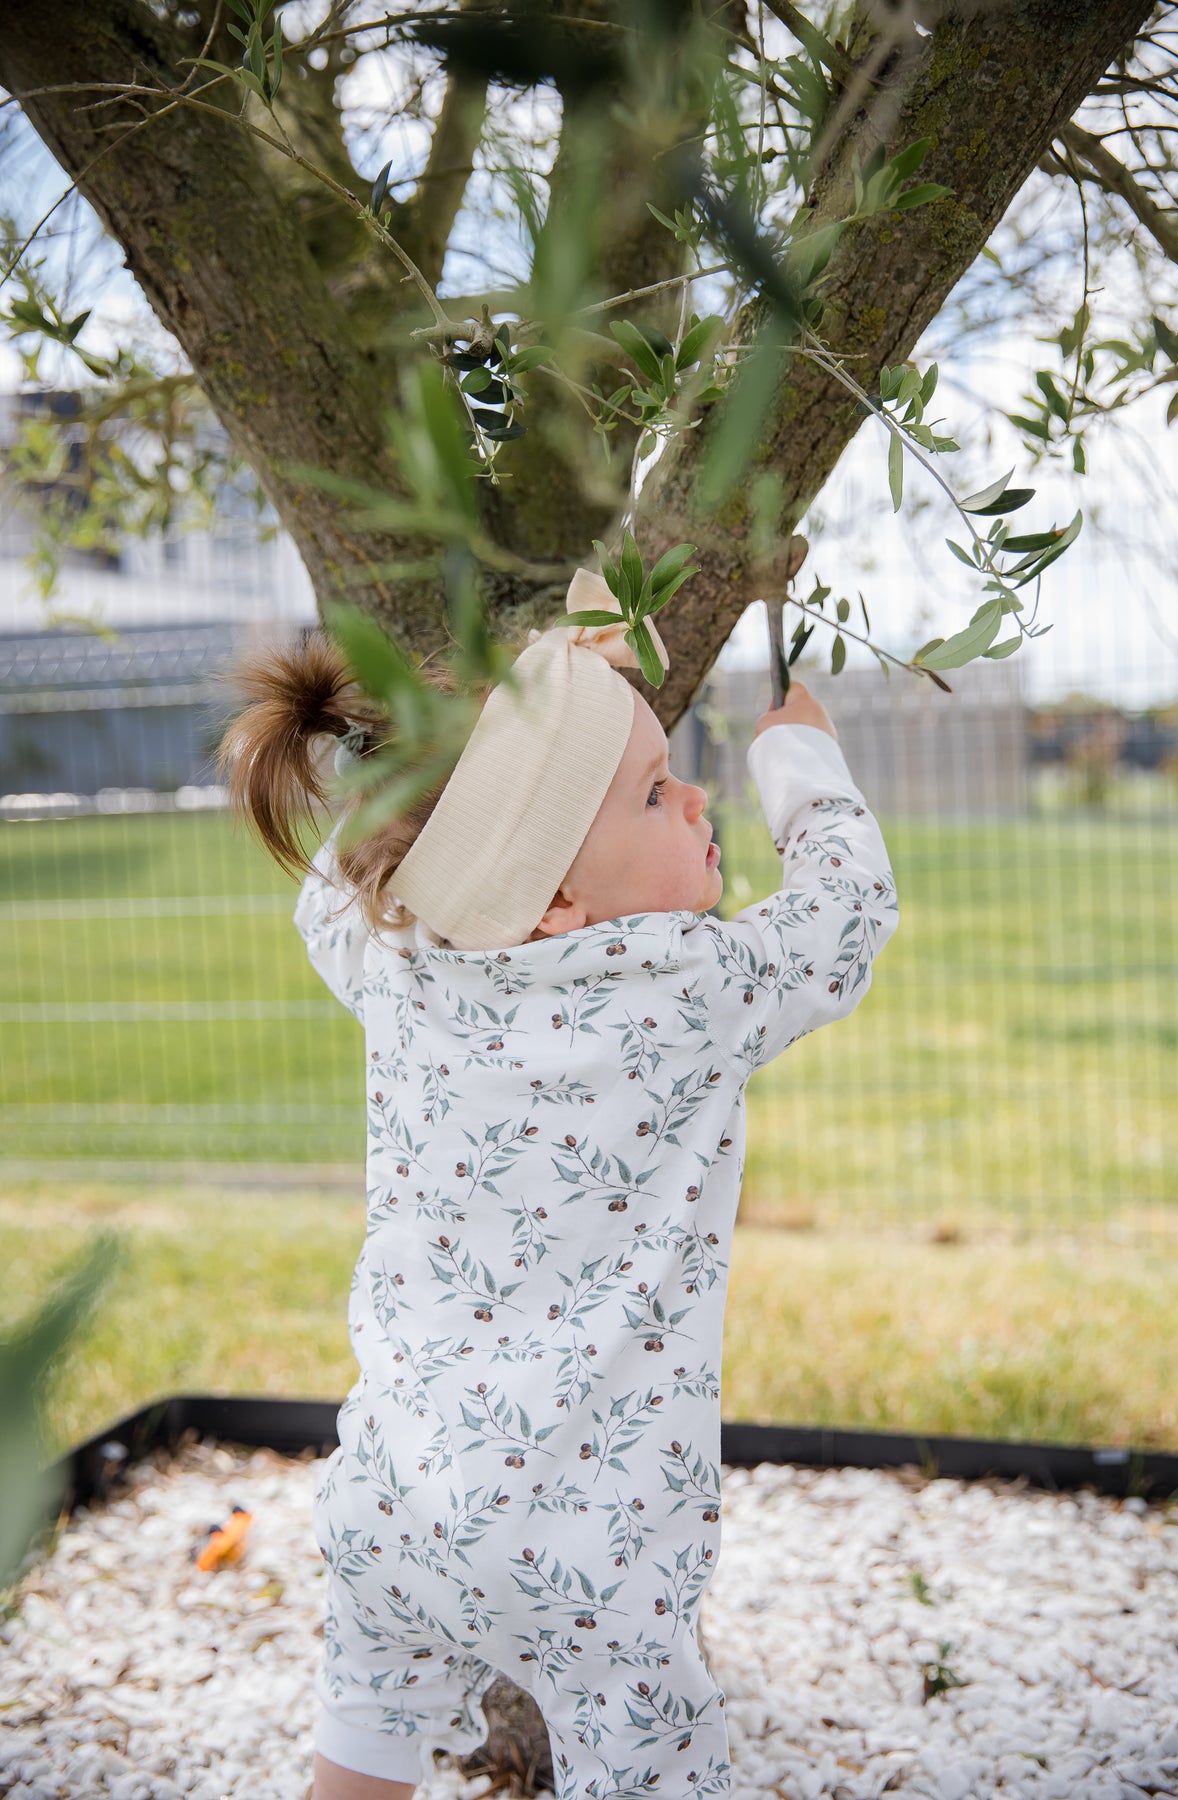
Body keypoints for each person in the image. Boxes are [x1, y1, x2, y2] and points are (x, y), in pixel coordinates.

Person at [218, 571, 898, 1800]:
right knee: (646, 1763)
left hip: (392, 1499)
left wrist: (485, 727)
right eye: (653, 789)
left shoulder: (401, 962)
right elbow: (847, 917)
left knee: (363, 1742)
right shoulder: (688, 985)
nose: (692, 794)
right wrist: (801, 764)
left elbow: (338, 884)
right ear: (559, 901)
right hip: (596, 1548)